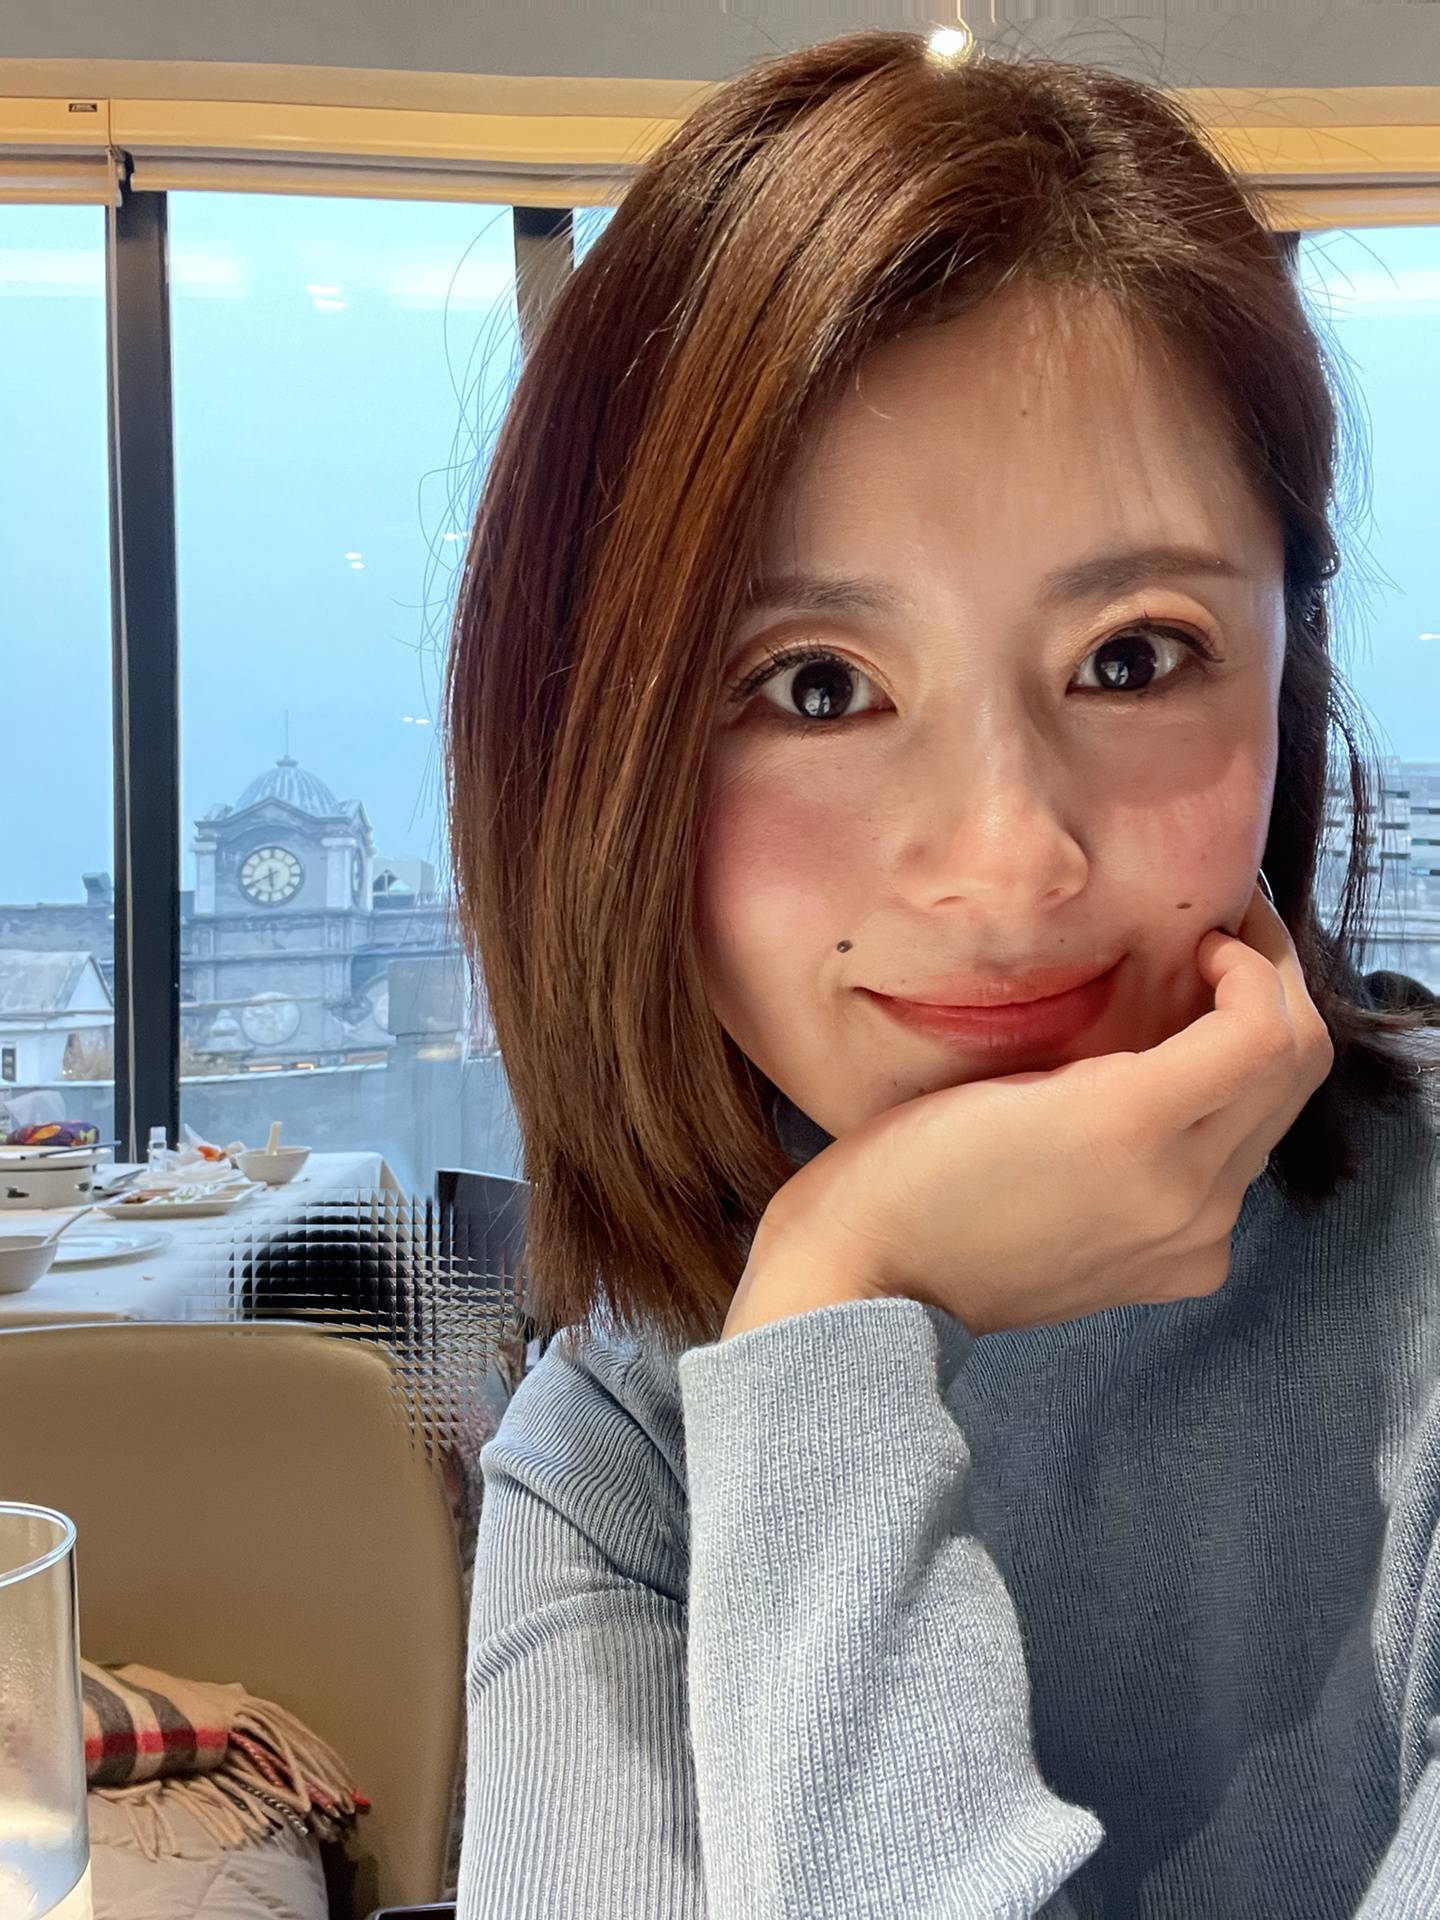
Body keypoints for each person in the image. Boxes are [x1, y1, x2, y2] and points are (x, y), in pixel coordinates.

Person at [442, 27, 1440, 1917]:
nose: (1010, 861)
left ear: (1288, 674)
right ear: (594, 759)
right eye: (816, 686)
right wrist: (837, 1303)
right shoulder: (623, 1456)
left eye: (1134, 657)